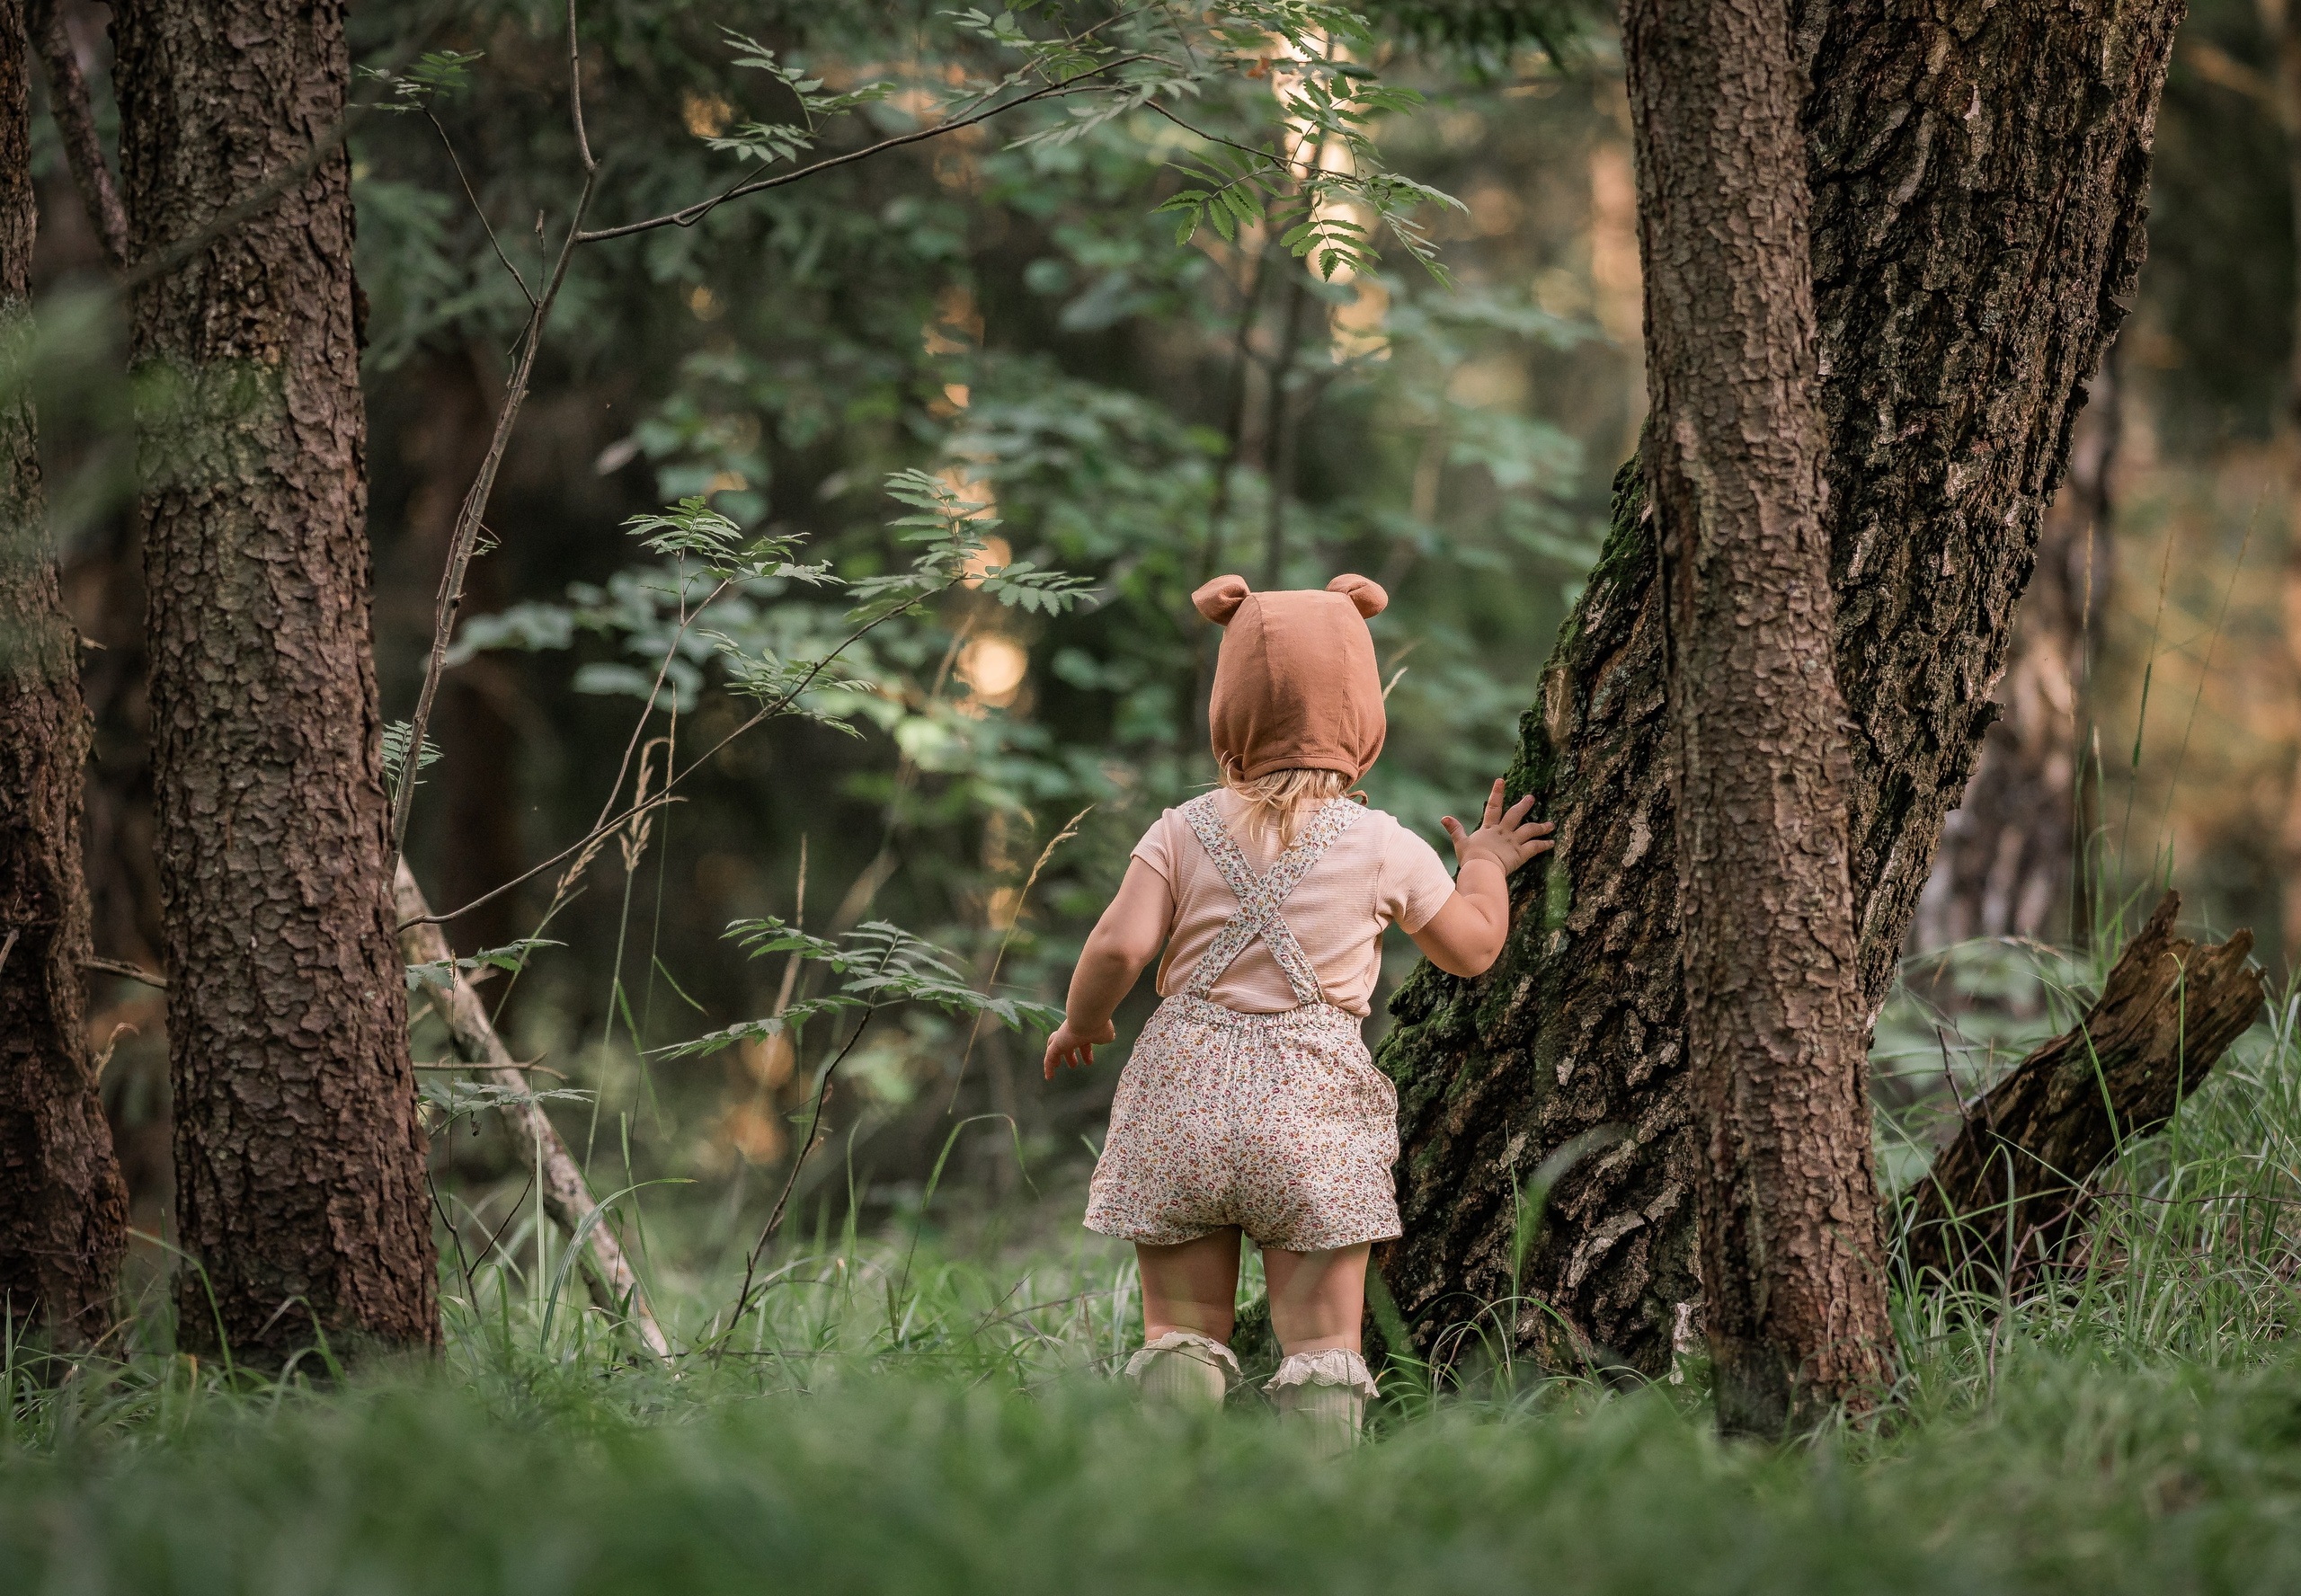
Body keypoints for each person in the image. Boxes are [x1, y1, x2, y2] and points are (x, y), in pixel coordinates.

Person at [1043, 572, 1552, 1452]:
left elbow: (1119, 948)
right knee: (1321, 1344)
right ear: (1362, 718)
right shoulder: (1382, 844)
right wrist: (1488, 866)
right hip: (1310, 1112)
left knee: (1181, 1335)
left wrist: (1083, 1023)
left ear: (1227, 714)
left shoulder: (1181, 830)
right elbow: (1472, 950)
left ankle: (1161, 1495)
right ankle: (1320, 1508)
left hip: (1183, 1102)